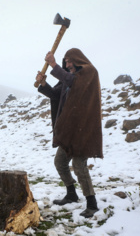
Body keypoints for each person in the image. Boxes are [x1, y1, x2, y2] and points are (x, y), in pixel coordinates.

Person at [35, 48, 103, 218]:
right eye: (65, 62)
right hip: (69, 130)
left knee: (80, 167)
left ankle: (92, 204)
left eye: (69, 61)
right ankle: (71, 194)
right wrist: (43, 83)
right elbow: (55, 95)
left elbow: (74, 81)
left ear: (78, 60)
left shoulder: (89, 73)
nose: (67, 65)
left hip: (83, 131)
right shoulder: (69, 79)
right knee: (60, 162)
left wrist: (53, 64)